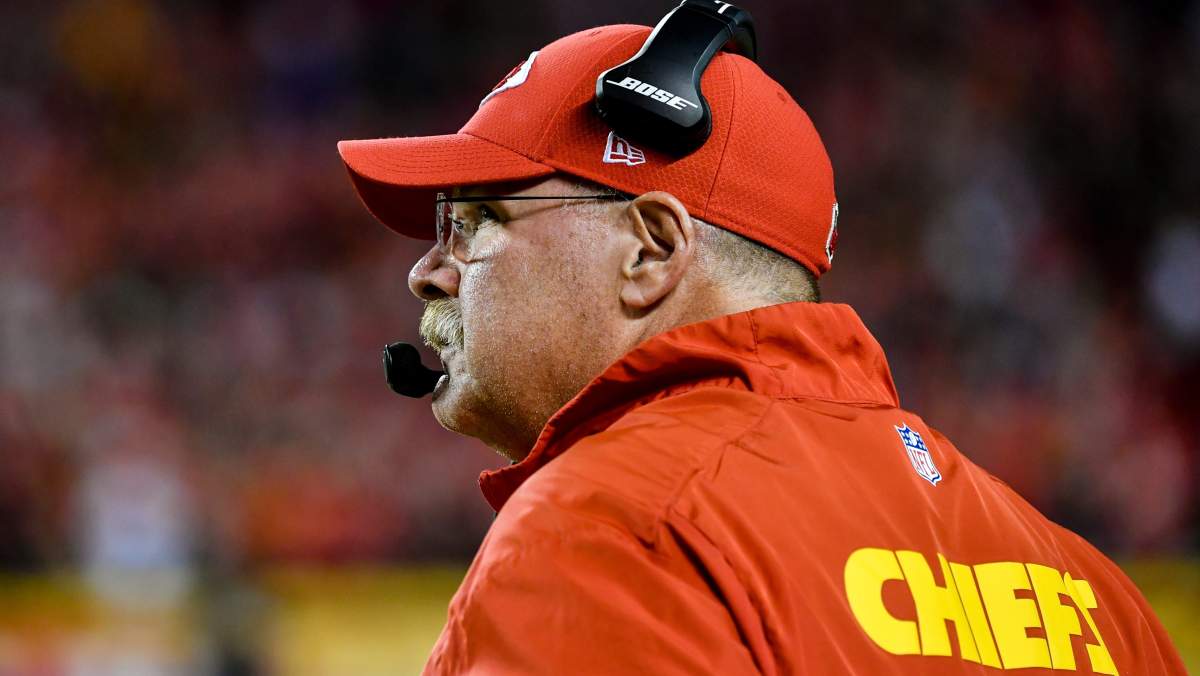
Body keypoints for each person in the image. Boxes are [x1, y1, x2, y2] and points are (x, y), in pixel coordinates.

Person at [337, 21, 1185, 676]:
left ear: (651, 252)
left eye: (475, 220)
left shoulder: (609, 531)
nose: (426, 272)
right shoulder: (1096, 598)